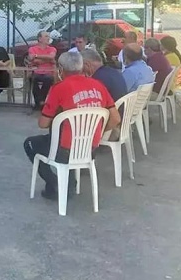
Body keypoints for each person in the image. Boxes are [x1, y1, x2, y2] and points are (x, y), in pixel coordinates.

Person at [24, 52, 121, 200]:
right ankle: (68, 183)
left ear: (61, 69)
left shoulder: (59, 88)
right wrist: (97, 132)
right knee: (65, 136)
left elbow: (43, 124)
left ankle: (55, 184)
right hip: (90, 148)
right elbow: (115, 119)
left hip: (65, 150)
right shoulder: (98, 85)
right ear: (81, 67)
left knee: (31, 143)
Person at [28, 31, 57, 110]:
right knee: (33, 78)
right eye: (46, 36)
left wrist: (36, 56)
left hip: (48, 72)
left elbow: (51, 57)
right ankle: (40, 102)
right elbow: (33, 60)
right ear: (40, 39)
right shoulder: (32, 49)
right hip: (36, 71)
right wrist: (47, 60)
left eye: (48, 36)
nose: (49, 38)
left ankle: (39, 102)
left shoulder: (52, 49)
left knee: (48, 79)